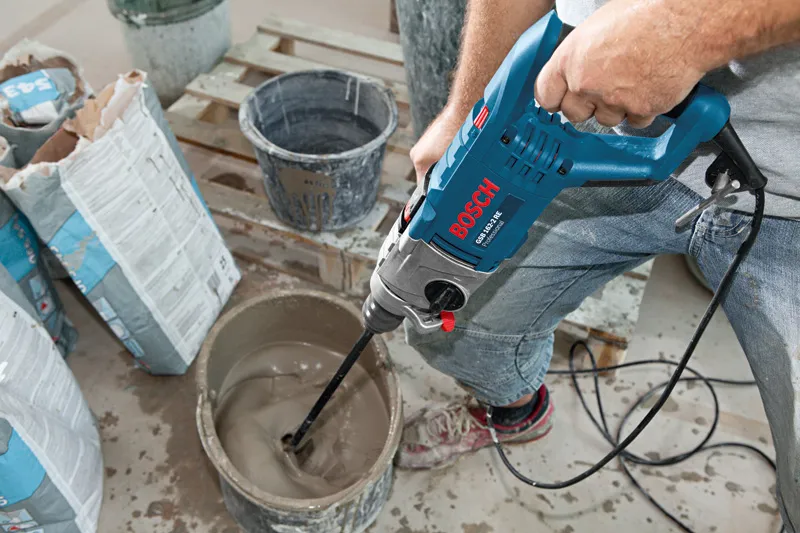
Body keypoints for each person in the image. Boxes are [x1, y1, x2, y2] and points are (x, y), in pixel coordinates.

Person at [395, 0, 800, 529]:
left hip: (791, 194)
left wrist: (693, 29)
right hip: (606, 120)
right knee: (460, 324)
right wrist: (464, 113)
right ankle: (516, 411)